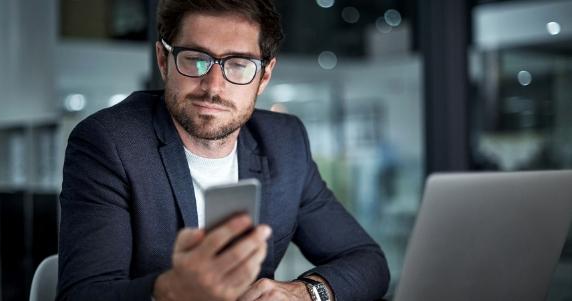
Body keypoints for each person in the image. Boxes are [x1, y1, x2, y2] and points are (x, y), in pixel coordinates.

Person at [56, 0, 390, 300]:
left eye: (239, 65)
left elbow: (367, 262)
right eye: (196, 60)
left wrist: (304, 294)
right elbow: (82, 293)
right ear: (163, 60)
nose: (214, 86)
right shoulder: (110, 143)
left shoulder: (284, 143)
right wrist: (171, 291)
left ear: (264, 76)